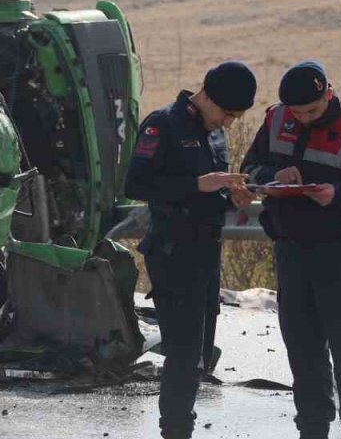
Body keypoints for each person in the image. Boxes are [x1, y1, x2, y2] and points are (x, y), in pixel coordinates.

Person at [241, 61, 341, 439]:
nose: (302, 118)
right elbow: (250, 169)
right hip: (290, 251)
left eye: (310, 111)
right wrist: (272, 177)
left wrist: (337, 195)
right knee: (303, 351)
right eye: (296, 112)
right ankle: (311, 429)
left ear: (328, 94)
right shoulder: (276, 118)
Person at [125, 61, 258, 439]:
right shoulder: (162, 124)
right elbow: (136, 184)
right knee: (182, 354)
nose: (229, 124)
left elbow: (212, 191)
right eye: (228, 114)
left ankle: (183, 424)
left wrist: (234, 196)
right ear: (209, 97)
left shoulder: (215, 135)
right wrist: (196, 184)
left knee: (198, 354)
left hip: (206, 253)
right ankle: (176, 429)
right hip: (172, 252)